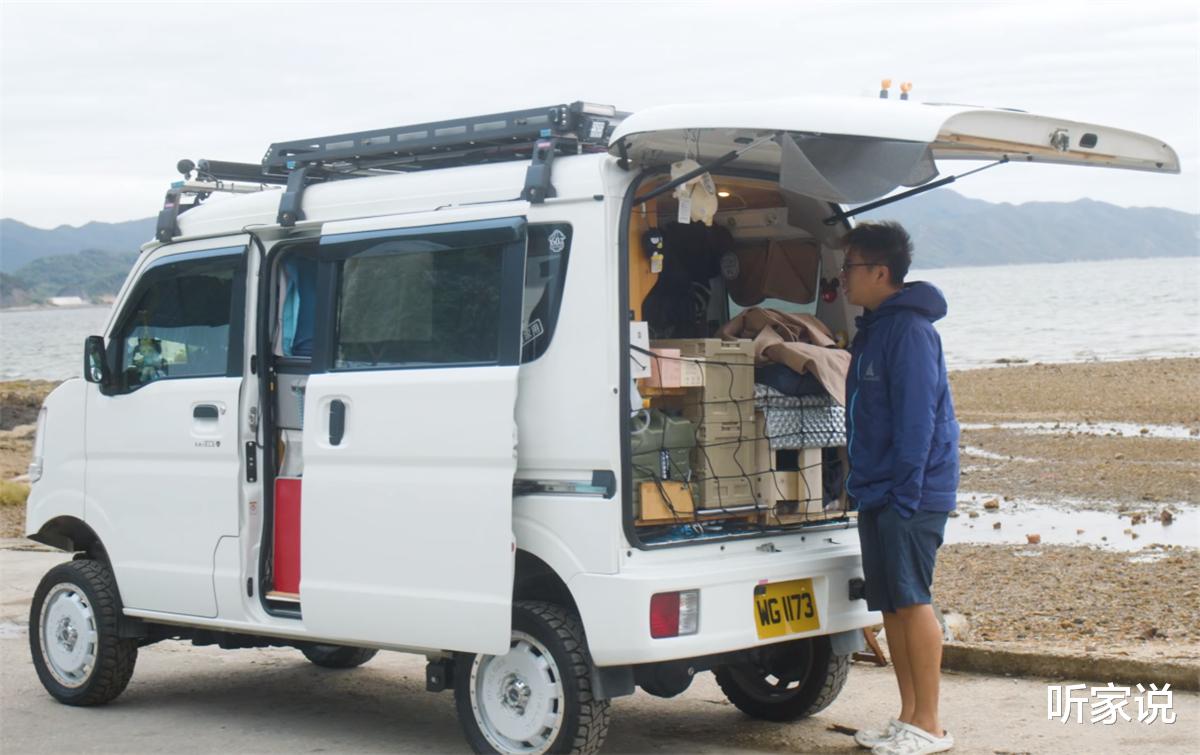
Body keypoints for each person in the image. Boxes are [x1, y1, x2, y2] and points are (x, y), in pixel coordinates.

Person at [839, 222, 959, 755]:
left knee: (912, 602)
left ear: (879, 272)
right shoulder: (874, 330)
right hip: (877, 487)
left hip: (910, 491)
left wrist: (906, 492)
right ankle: (909, 716)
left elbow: (918, 420)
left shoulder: (910, 331)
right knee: (889, 604)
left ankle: (930, 725)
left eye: (849, 267)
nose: (842, 278)